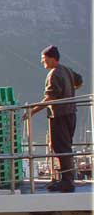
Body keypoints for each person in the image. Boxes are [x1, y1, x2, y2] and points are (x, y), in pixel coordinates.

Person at [26, 45, 84, 193]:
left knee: (61, 147)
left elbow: (49, 98)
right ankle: (65, 179)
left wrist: (31, 112)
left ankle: (67, 182)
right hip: (71, 113)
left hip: (59, 115)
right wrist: (69, 90)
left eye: (44, 59)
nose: (42, 62)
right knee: (65, 146)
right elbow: (79, 81)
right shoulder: (66, 70)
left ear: (52, 59)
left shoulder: (54, 74)